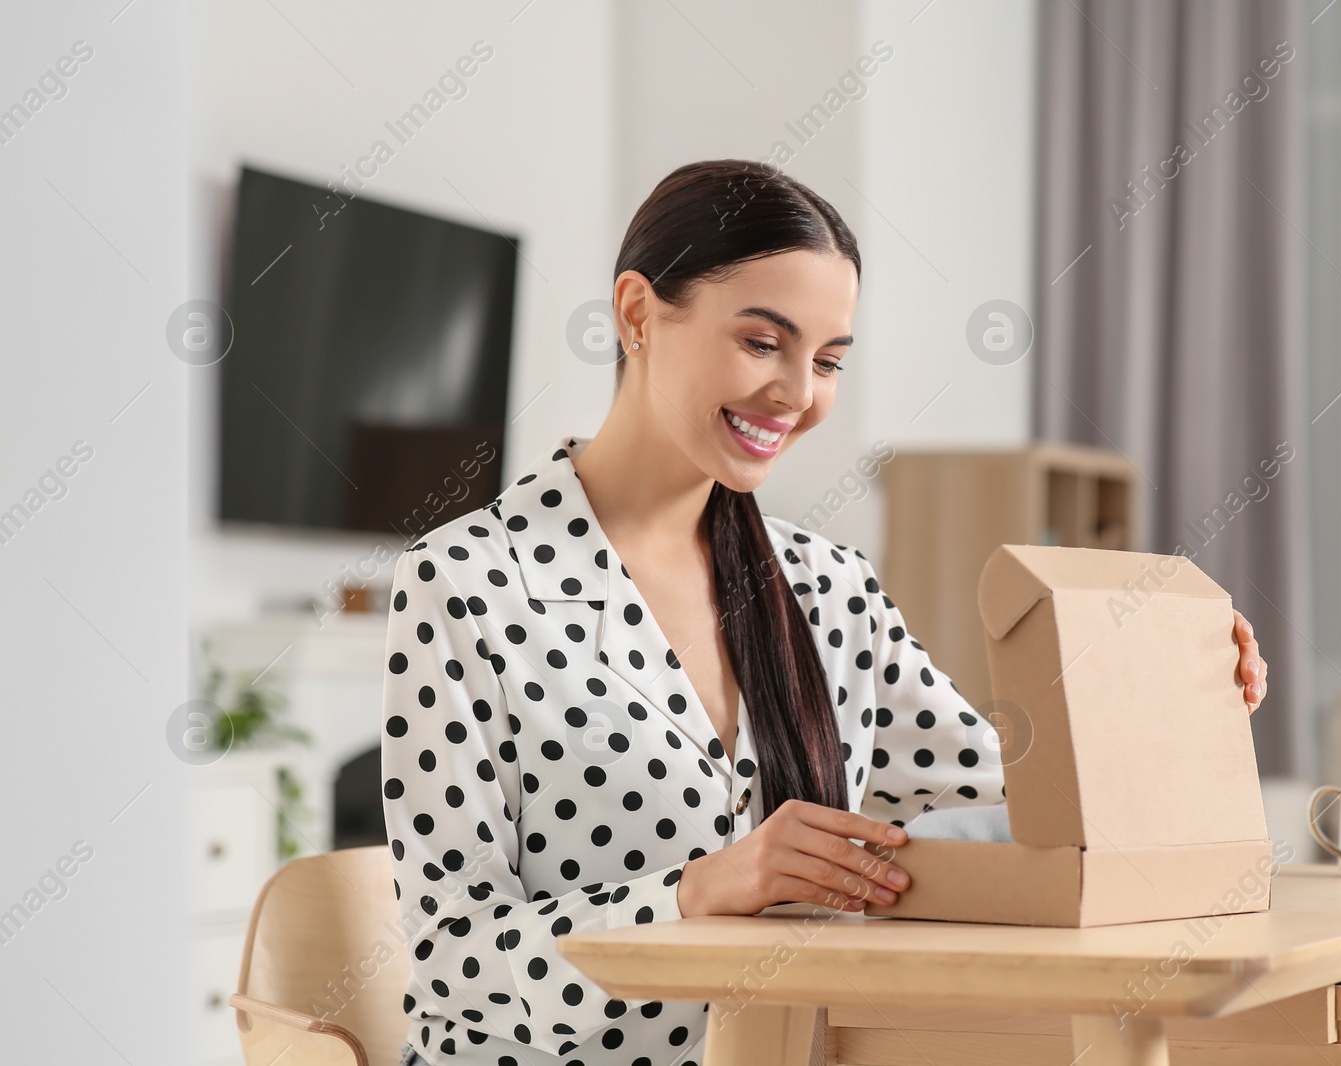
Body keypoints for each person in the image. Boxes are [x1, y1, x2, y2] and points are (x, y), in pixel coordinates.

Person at [379, 159, 1269, 1066]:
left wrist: (1175, 697)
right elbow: (454, 958)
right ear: (639, 313)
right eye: (764, 343)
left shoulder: (828, 586)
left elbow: (1024, 805)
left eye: (829, 361)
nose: (799, 394)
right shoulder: (467, 583)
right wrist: (697, 892)